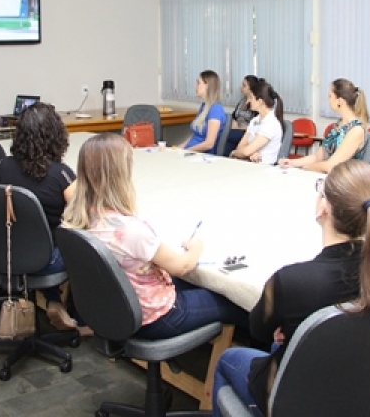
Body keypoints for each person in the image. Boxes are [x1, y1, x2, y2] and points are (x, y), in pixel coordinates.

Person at [211, 160, 370, 416]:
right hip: (366, 395)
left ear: (323, 208)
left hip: (297, 403)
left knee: (227, 361)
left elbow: (258, 330)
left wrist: (290, 326)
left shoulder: (291, 281)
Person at [64, 133, 248, 340]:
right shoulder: (132, 231)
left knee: (194, 285)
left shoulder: (78, 215)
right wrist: (196, 247)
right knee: (231, 300)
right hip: (155, 316)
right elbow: (182, 266)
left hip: (117, 308)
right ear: (121, 175)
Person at [0, 102, 81, 332]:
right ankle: (83, 320)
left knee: (36, 239)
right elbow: (85, 215)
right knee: (83, 245)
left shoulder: (3, 166)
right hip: (45, 261)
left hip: (6, 252)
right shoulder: (60, 175)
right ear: (56, 135)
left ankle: (53, 300)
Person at [278, 78, 370, 173]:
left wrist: (306, 167)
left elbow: (331, 166)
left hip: (345, 182)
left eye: (330, 96)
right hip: (330, 178)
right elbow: (317, 156)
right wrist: (291, 163)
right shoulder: (338, 125)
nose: (328, 99)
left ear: (340, 101)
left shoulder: (356, 130)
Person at [229, 78, 284, 165]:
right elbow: (240, 147)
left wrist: (234, 153)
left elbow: (245, 151)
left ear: (260, 101)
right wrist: (250, 152)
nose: (248, 101)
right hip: (249, 165)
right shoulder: (255, 120)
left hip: (264, 169)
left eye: (251, 97)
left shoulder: (271, 123)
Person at [182, 70, 227, 153]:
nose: (196, 86)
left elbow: (209, 143)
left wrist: (187, 151)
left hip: (201, 155)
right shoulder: (204, 106)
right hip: (190, 152)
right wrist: (179, 149)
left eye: (198, 83)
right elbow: (195, 135)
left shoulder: (215, 109)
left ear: (207, 86)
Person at [222, 75, 258, 157]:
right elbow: (234, 116)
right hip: (236, 129)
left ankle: (226, 157)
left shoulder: (256, 103)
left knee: (229, 135)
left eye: (244, 85)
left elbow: (256, 125)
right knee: (223, 133)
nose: (241, 87)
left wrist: (238, 128)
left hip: (246, 132)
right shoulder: (242, 100)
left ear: (251, 88)